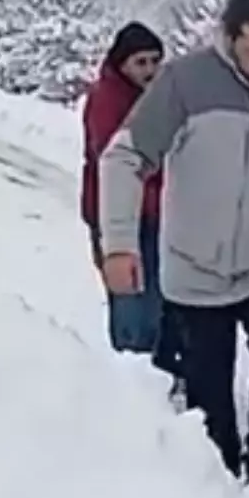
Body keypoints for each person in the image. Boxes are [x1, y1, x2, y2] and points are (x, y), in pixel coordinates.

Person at [99, 0, 249, 498]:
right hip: (194, 263)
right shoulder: (184, 82)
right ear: (228, 39)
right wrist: (119, 246)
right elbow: (123, 159)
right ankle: (221, 476)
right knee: (209, 384)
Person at [80, 22, 184, 397]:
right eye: (140, 62)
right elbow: (116, 160)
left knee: (160, 297)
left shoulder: (160, 97)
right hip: (117, 216)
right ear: (121, 63)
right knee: (131, 300)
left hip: (157, 214)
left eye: (155, 60)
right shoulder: (107, 98)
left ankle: (158, 372)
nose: (150, 70)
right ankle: (129, 382)